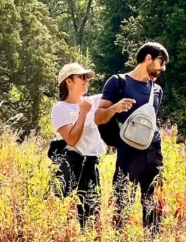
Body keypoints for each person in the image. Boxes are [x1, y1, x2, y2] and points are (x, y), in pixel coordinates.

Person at [96, 42, 169, 234]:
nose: (163, 68)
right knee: (122, 204)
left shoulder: (157, 90)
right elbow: (98, 117)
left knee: (153, 206)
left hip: (153, 153)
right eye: (161, 62)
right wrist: (115, 108)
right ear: (147, 58)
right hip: (128, 153)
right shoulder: (118, 82)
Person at [50, 62, 130, 228]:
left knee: (91, 213)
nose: (86, 80)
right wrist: (84, 112)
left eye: (87, 77)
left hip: (91, 164)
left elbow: (116, 96)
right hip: (69, 163)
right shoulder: (59, 108)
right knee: (64, 212)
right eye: (81, 77)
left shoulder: (94, 101)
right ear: (68, 82)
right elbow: (72, 140)